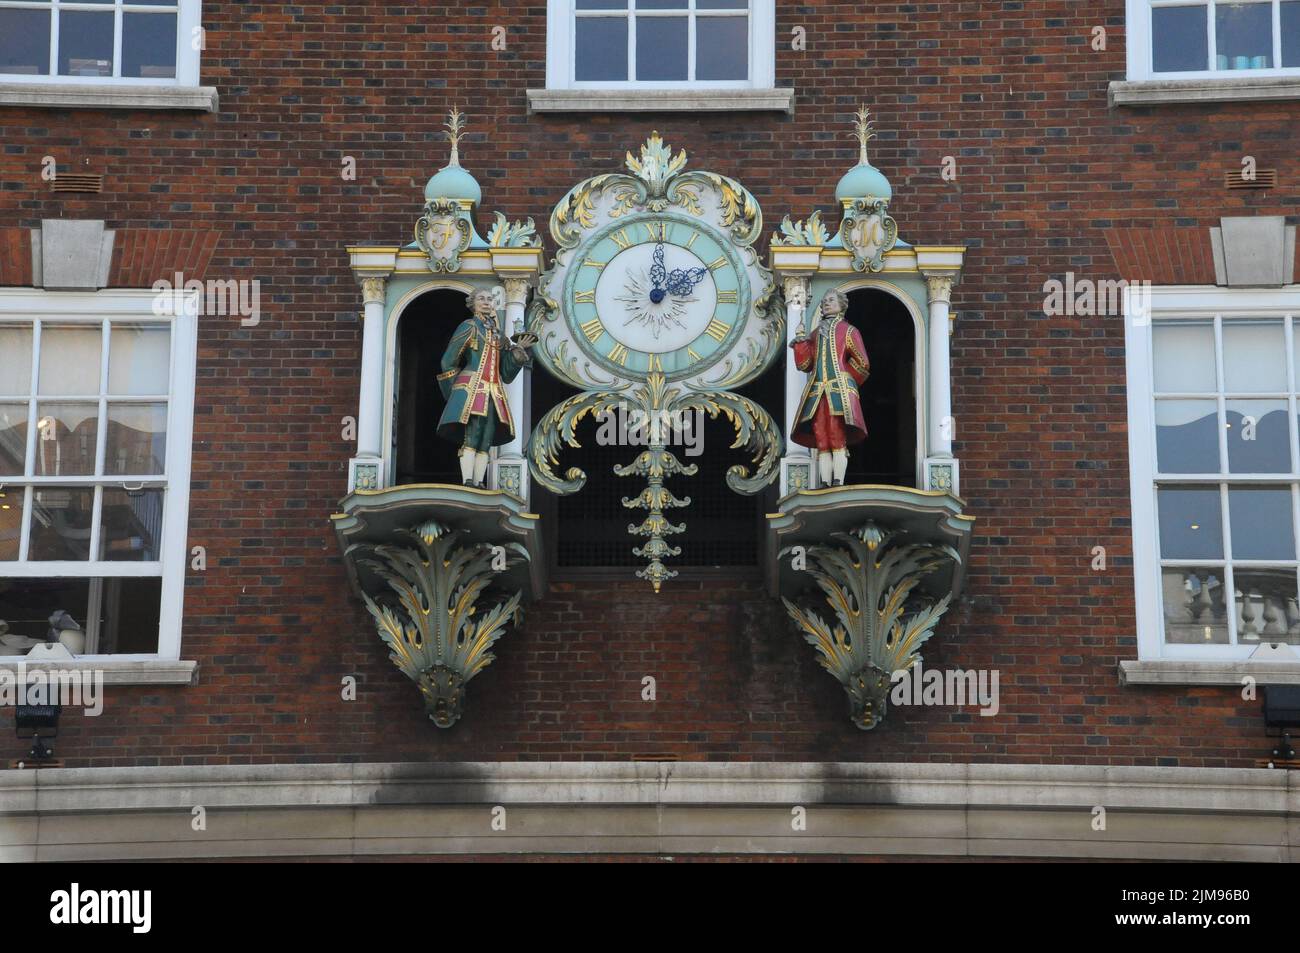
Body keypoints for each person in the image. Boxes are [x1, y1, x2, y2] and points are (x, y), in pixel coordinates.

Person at [437, 289, 533, 487]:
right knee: (473, 433)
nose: (486, 302)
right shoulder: (469, 327)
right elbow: (448, 361)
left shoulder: (498, 335)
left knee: (487, 436)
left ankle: (479, 481)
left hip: (493, 391)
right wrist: (454, 394)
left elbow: (505, 372)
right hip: (471, 388)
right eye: (482, 299)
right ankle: (467, 480)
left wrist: (519, 349)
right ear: (473, 303)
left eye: (490, 299)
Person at [791, 288, 870, 486]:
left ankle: (838, 480)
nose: (826, 303)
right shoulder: (815, 334)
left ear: (841, 305)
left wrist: (846, 380)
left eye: (831, 300)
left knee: (836, 434)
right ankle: (825, 481)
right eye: (824, 301)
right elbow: (805, 365)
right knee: (821, 436)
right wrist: (800, 342)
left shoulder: (849, 331)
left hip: (838, 392)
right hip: (818, 391)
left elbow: (862, 363)